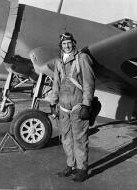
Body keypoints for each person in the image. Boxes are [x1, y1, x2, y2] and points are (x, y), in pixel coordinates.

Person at [50, 32, 96, 182]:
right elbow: (56, 83)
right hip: (63, 107)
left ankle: (82, 169)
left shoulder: (82, 58)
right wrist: (53, 102)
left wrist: (86, 105)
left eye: (69, 43)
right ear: (60, 46)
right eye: (64, 44)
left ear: (73, 43)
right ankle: (71, 165)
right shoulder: (58, 61)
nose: (67, 46)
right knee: (66, 138)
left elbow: (89, 82)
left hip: (78, 106)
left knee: (80, 139)